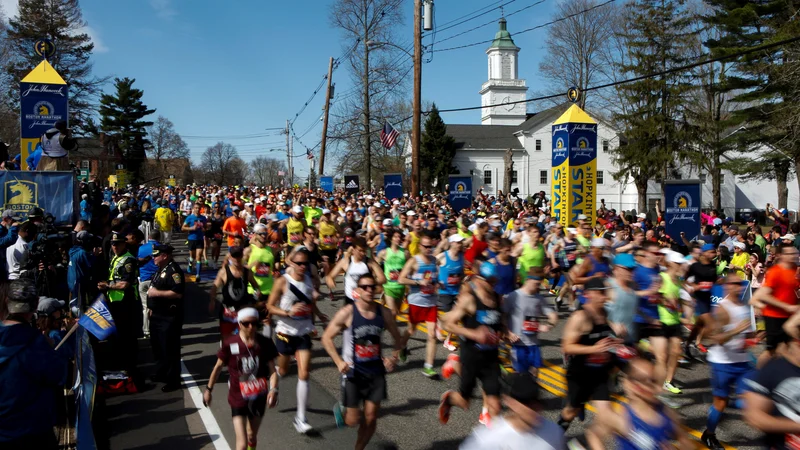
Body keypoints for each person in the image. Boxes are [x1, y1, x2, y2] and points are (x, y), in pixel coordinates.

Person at [321, 273, 405, 450]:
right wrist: (338, 362)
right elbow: (327, 337)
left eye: (372, 287)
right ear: (358, 290)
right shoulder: (348, 313)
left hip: (376, 372)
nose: (369, 290)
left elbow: (398, 338)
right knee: (353, 421)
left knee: (372, 416)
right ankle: (343, 410)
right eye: (365, 287)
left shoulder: (384, 313)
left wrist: (394, 357)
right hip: (354, 372)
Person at [267, 247, 328, 434]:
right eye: (299, 263)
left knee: (304, 373)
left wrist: (317, 318)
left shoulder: (309, 280)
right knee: (283, 370)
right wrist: (288, 312)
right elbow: (269, 306)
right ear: (292, 263)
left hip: (302, 333)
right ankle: (273, 384)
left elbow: (310, 304)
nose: (303, 266)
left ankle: (300, 417)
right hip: (285, 333)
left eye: (305, 263)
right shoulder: (282, 282)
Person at [0, 280, 67, 449]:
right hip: (31, 430)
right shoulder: (34, 343)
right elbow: (60, 374)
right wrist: (52, 348)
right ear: (34, 305)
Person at [203, 308, 279, 450]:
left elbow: (273, 371)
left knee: (251, 436)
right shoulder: (230, 344)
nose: (251, 327)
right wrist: (208, 389)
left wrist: (274, 389)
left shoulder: (265, 343)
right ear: (239, 324)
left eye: (254, 323)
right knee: (242, 444)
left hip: (259, 396)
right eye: (246, 323)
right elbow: (218, 366)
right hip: (237, 396)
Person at [439, 262, 504, 425]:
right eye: (490, 281)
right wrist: (473, 333)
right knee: (465, 402)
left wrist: (506, 332)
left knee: (495, 406)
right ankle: (449, 398)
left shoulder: (498, 299)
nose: (493, 284)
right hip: (471, 356)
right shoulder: (470, 299)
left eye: (495, 280)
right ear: (479, 280)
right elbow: (449, 324)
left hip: (491, 358)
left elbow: (502, 322)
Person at [587, 358, 692, 450]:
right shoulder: (620, 418)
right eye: (646, 381)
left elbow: (686, 442)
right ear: (632, 385)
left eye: (654, 380)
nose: (656, 388)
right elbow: (594, 435)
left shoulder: (666, 412)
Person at [700, 273, 754, 449]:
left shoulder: (744, 305)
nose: (739, 286)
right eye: (735, 283)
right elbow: (717, 339)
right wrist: (737, 330)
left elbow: (748, 334)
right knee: (721, 403)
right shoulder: (722, 310)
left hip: (742, 361)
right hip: (722, 363)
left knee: (746, 401)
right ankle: (709, 435)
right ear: (726, 286)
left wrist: (754, 337)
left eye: (741, 283)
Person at [557, 277, 619, 432]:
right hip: (580, 374)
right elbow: (566, 347)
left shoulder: (605, 313)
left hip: (600, 374)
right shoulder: (580, 317)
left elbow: (604, 338)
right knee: (570, 412)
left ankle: (592, 441)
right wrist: (594, 349)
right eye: (599, 293)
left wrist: (617, 341)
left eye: (604, 293)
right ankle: (555, 438)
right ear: (588, 294)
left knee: (606, 415)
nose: (604, 297)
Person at [98, 231, 141, 382]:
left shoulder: (128, 260)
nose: (114, 247)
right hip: (115, 302)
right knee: (118, 336)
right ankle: (122, 365)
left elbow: (125, 284)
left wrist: (107, 285)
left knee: (127, 337)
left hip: (126, 303)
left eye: (117, 244)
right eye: (113, 244)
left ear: (124, 244)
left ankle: (130, 368)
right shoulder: (116, 258)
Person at [750, 243, 800, 369]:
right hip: (774, 316)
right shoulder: (775, 272)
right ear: (781, 255)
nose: (793, 256)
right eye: (790, 254)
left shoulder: (794, 269)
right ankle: (758, 378)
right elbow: (763, 295)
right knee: (772, 352)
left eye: (795, 253)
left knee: (790, 347)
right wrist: (786, 306)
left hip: (790, 316)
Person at [503, 268, 558, 377]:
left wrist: (549, 325)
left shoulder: (539, 298)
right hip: (519, 344)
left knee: (534, 373)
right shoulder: (512, 296)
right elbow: (502, 317)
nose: (538, 287)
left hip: (534, 344)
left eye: (539, 284)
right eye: (536, 284)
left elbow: (553, 315)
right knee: (521, 376)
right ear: (528, 280)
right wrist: (508, 333)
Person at [147, 244, 185, 392]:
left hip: (168, 317)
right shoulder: (160, 270)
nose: (153, 258)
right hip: (157, 314)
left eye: (156, 255)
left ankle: (173, 380)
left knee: (169, 349)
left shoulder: (173, 271)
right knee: (157, 347)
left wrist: (156, 294)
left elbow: (178, 293)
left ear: (165, 255)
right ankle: (162, 373)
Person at [209, 246, 261, 341]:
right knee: (227, 339)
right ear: (230, 257)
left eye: (239, 256)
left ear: (242, 256)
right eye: (234, 256)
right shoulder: (224, 272)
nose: (237, 259)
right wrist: (212, 301)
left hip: (243, 310)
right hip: (228, 312)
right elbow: (214, 287)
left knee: (245, 338)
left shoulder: (247, 272)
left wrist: (255, 299)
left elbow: (256, 287)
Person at [326, 237, 386, 305]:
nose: (362, 253)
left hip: (365, 301)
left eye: (364, 251)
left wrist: (367, 283)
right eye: (360, 250)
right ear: (353, 249)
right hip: (349, 300)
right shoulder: (346, 261)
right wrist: (330, 281)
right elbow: (330, 276)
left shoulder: (369, 262)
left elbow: (383, 279)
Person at [436, 233, 466, 351]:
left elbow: (461, 273)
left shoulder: (462, 257)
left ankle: (447, 340)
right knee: (452, 318)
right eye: (458, 242)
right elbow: (430, 266)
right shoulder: (442, 257)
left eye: (461, 242)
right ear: (452, 243)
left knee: (456, 317)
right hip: (444, 292)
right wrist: (436, 280)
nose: (460, 244)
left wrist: (463, 280)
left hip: (457, 291)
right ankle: (439, 323)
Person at [376, 228, 407, 316]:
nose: (398, 239)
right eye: (395, 237)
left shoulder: (405, 253)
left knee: (396, 313)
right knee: (393, 312)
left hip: (400, 287)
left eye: (399, 237)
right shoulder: (384, 253)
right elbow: (376, 267)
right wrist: (377, 279)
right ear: (391, 238)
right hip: (388, 286)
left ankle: (388, 326)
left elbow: (410, 267)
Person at [138, 229, 161, 338]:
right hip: (157, 281)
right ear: (159, 238)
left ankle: (146, 331)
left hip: (143, 280)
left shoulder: (141, 248)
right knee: (158, 306)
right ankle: (158, 328)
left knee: (145, 307)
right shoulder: (161, 248)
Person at [244, 224, 276, 301]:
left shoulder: (272, 250)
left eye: (265, 233)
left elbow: (273, 269)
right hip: (253, 290)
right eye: (261, 234)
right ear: (255, 234)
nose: (263, 236)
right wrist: (252, 265)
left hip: (269, 289)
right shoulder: (249, 250)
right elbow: (240, 269)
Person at [182, 202, 208, 280]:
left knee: (198, 256)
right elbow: (183, 228)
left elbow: (206, 228)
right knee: (192, 256)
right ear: (193, 209)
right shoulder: (189, 218)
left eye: (198, 208)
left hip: (200, 239)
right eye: (196, 208)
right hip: (191, 239)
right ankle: (190, 262)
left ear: (200, 209)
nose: (197, 210)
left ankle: (198, 275)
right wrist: (191, 228)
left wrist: (204, 229)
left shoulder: (203, 218)